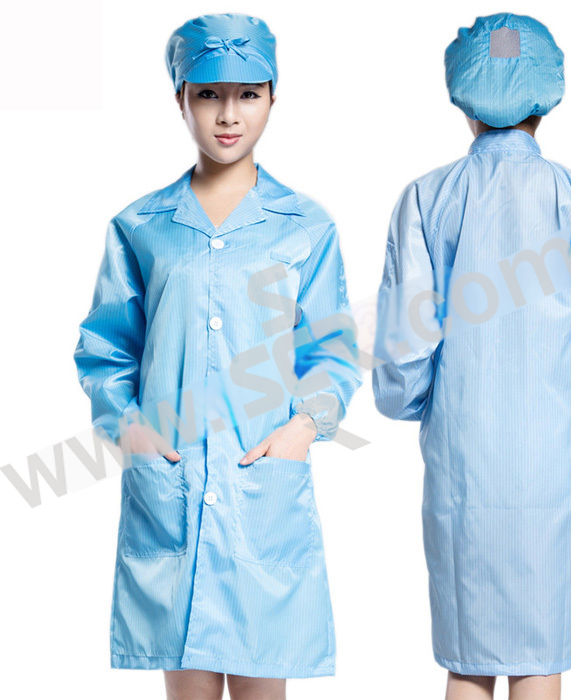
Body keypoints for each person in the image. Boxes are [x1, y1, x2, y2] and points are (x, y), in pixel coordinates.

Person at [73, 12, 362, 700]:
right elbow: (107, 350)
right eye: (208, 94)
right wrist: (131, 427)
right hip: (171, 485)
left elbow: (332, 351)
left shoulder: (306, 226)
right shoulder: (141, 226)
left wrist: (304, 427)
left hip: (263, 491)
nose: (229, 115)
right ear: (180, 98)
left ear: (273, 97)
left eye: (248, 94)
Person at [372, 13, 571, 700]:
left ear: (463, 100)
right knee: (540, 652)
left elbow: (404, 352)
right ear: (546, 99)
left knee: (469, 654)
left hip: (464, 460)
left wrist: (423, 403)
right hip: (553, 458)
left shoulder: (426, 199)